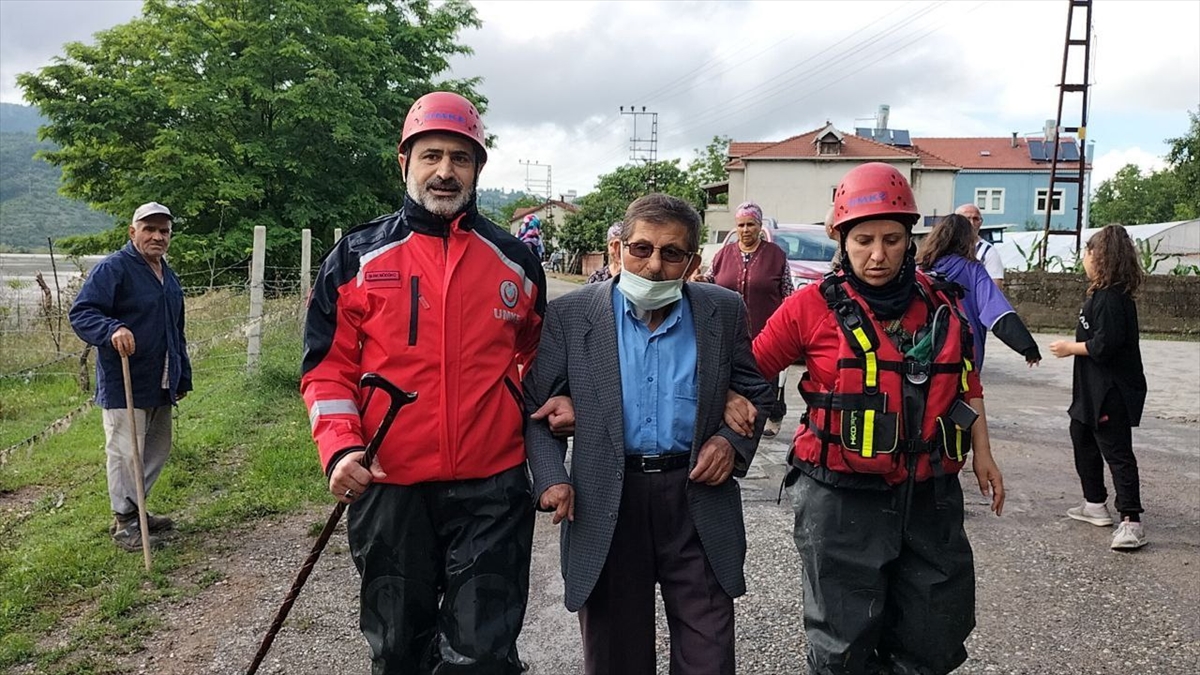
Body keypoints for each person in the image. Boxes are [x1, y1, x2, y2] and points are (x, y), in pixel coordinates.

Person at [301, 91, 547, 674]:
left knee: (482, 653)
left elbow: (540, 359)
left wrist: (552, 401)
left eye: (460, 158)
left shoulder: (516, 260)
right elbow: (325, 368)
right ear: (404, 162)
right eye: (431, 154)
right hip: (389, 486)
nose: (445, 171)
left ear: (478, 168)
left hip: (493, 489)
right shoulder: (356, 258)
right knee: (398, 649)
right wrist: (338, 448)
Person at [730, 163, 1005, 675]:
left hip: (929, 495)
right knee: (844, 644)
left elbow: (966, 381)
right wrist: (732, 406)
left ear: (909, 240)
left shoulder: (942, 300)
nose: (877, 255)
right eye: (863, 241)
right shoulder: (807, 308)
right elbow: (751, 368)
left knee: (933, 635)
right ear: (841, 239)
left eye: (891, 239)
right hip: (841, 496)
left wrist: (983, 453)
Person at [524, 193, 774, 675]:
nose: (654, 265)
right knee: (617, 655)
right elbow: (536, 407)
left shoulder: (722, 311)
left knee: (710, 655)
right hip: (607, 503)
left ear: (693, 262)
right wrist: (552, 479)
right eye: (641, 249)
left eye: (671, 253)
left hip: (697, 498)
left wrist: (731, 441)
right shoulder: (572, 317)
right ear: (617, 251)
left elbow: (755, 392)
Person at [69, 201, 192, 552]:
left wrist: (182, 375)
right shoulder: (115, 269)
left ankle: (137, 509)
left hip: (161, 378)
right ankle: (125, 522)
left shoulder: (167, 274)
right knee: (126, 452)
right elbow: (83, 312)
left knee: (155, 449)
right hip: (125, 379)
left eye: (164, 231)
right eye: (149, 229)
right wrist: (112, 329)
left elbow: (175, 330)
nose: (157, 236)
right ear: (132, 231)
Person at [1049, 225, 1148, 551]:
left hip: (1111, 391)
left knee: (1116, 451)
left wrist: (1069, 348)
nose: (1084, 258)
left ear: (1099, 257)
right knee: (1081, 433)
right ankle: (1094, 502)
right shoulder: (1101, 295)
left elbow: (1104, 346)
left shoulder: (1110, 299)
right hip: (1092, 389)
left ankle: (1131, 521)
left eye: (1088, 252)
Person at [695, 201, 792, 437]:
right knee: (730, 373)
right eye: (741, 225)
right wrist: (700, 281)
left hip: (766, 327)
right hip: (730, 328)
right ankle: (735, 415)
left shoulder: (776, 255)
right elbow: (711, 280)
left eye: (751, 224)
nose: (745, 230)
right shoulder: (723, 255)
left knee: (767, 374)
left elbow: (788, 291)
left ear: (760, 226)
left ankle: (772, 414)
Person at [917, 213, 1041, 368]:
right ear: (968, 239)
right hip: (963, 351)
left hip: (923, 350)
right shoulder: (973, 270)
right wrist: (1027, 347)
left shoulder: (920, 269)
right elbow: (997, 312)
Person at [954, 203, 1004, 289]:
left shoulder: (988, 252)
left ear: (980, 222)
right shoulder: (945, 247)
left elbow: (994, 288)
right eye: (967, 218)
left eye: (976, 219)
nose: (971, 223)